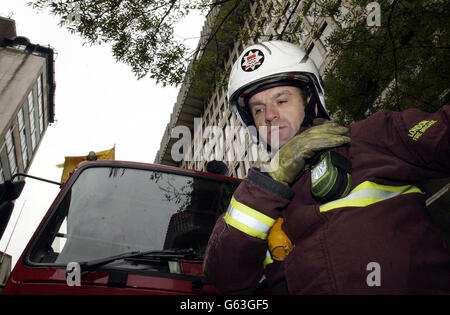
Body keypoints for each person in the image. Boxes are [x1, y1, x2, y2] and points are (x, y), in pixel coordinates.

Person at [202, 40, 450, 294]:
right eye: (258, 109)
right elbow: (224, 277)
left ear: (309, 100)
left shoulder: (374, 136)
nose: (269, 115)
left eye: (282, 100)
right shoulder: (256, 198)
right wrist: (272, 177)